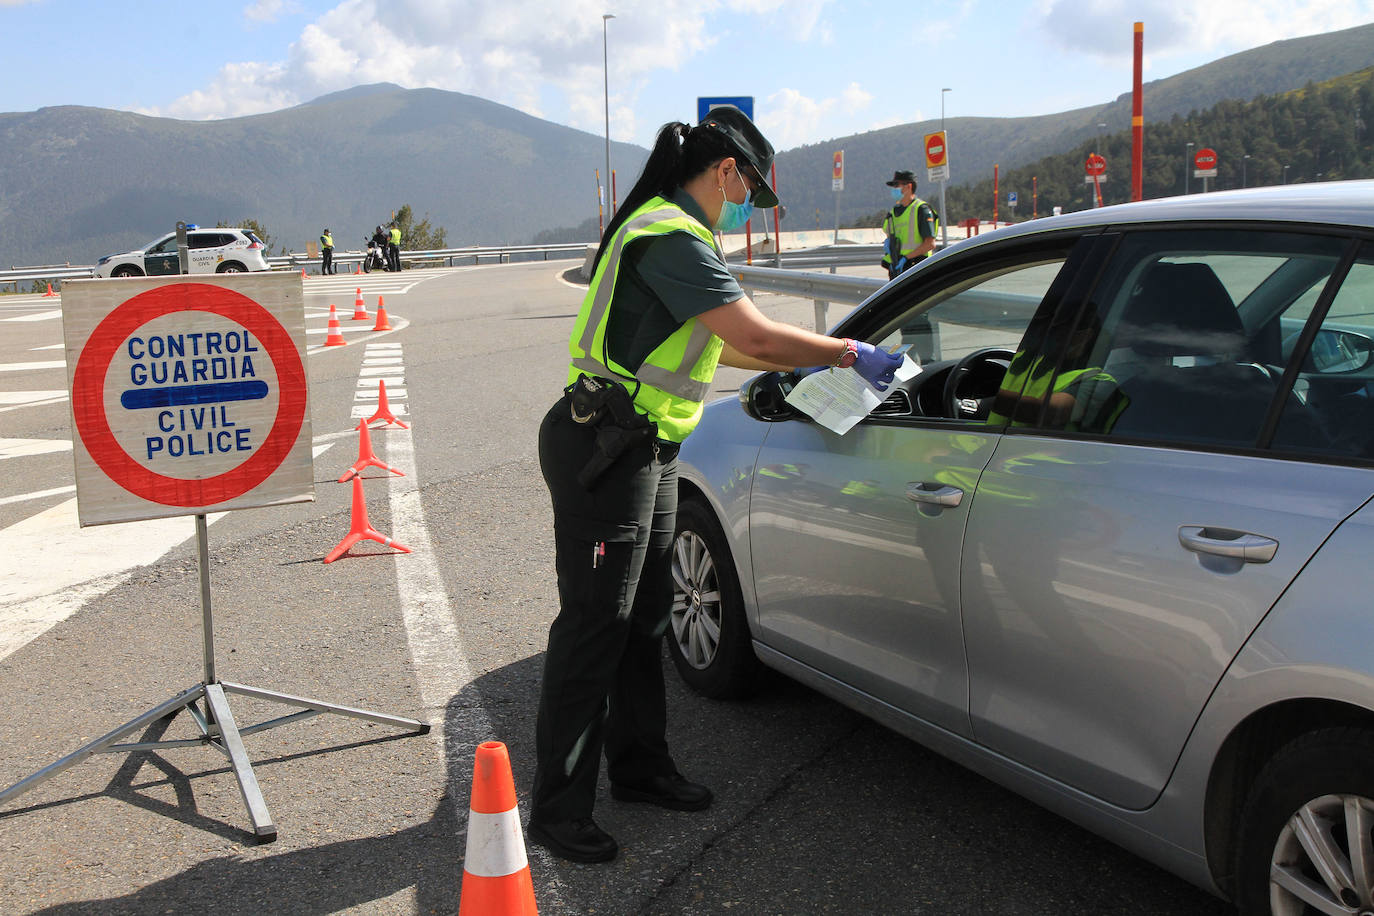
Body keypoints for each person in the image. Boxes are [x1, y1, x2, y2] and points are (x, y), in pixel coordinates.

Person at [529, 106, 903, 864]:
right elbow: (754, 335)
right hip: (607, 451)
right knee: (595, 623)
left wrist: (799, 363)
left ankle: (639, 769)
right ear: (725, 171)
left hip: (650, 449)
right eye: (745, 193)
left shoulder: (676, 232)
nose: (744, 209)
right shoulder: (668, 234)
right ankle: (558, 808)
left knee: (646, 616)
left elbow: (718, 346)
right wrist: (840, 352)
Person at [880, 169, 938, 280]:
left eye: (897, 185)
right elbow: (890, 236)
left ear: (909, 186)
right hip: (897, 269)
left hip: (917, 268)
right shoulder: (893, 212)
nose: (894, 189)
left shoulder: (921, 210)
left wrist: (906, 258)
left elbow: (930, 244)